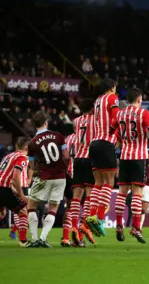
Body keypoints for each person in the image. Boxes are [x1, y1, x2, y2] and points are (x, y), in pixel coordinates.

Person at [110, 87, 149, 244]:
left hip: (124, 156)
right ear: (139, 99)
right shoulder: (143, 113)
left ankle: (119, 225)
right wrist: (148, 131)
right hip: (139, 157)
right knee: (137, 192)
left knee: (122, 192)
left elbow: (112, 130)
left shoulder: (120, 113)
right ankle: (136, 227)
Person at [26, 111, 70, 248]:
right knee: (53, 208)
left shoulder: (32, 143)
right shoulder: (58, 136)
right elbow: (67, 156)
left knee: (31, 207)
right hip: (60, 177)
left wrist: (34, 174)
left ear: (34, 125)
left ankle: (34, 239)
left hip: (43, 176)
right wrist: (64, 169)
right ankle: (43, 238)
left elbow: (31, 165)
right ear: (46, 122)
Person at [0, 137, 30, 247]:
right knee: (23, 212)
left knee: (1, 214)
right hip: (2, 188)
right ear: (27, 147)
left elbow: (4, 174)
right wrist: (21, 194)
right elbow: (16, 177)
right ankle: (23, 241)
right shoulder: (22, 157)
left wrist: (14, 190)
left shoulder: (8, 156)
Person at [86, 78, 120, 237]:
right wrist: (115, 133)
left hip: (94, 143)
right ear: (112, 87)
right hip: (106, 143)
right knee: (109, 182)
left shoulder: (97, 101)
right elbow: (116, 118)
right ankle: (99, 218)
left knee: (98, 182)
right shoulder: (112, 98)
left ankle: (92, 215)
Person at [69, 98, 96, 246]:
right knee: (89, 197)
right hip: (90, 158)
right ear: (93, 109)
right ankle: (81, 230)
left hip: (77, 159)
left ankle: (73, 225)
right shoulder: (95, 121)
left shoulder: (77, 121)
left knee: (76, 197)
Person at [61, 133, 77, 247]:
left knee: (70, 206)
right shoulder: (87, 136)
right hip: (78, 175)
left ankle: (65, 237)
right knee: (82, 206)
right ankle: (77, 238)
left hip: (66, 175)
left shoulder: (67, 138)